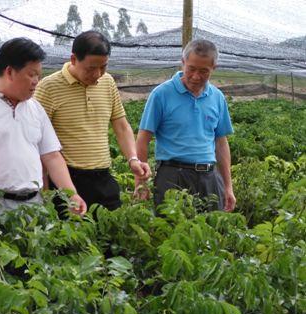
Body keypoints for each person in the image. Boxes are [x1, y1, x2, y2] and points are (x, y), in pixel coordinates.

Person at [0, 38, 87, 222]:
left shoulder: (35, 108)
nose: (36, 81)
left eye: (38, 75)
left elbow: (52, 156)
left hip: (32, 206)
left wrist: (71, 194)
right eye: (31, 74)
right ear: (10, 71)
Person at [34, 30, 151, 214]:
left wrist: (133, 159)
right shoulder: (49, 87)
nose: (97, 74)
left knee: (110, 234)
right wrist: (44, 188)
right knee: (72, 239)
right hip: (68, 180)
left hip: (104, 176)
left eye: (103, 67)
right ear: (73, 59)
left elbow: (121, 125)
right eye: (90, 68)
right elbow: (38, 141)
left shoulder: (108, 82)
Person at [135, 39, 236, 212]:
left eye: (204, 71)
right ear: (183, 63)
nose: (196, 76)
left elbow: (221, 142)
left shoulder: (217, 97)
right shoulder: (161, 94)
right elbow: (143, 139)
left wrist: (228, 186)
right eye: (191, 69)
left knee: (211, 234)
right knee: (172, 234)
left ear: (214, 68)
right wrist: (141, 183)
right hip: (172, 176)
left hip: (209, 178)